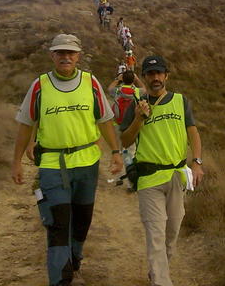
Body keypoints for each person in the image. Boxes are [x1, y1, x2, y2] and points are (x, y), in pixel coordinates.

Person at [12, 33, 123, 286]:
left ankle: (74, 261)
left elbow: (105, 120)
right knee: (58, 224)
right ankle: (61, 279)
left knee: (82, 221)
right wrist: (16, 161)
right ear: (52, 55)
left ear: (78, 56)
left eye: (70, 52)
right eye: (60, 52)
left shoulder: (90, 82)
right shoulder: (40, 85)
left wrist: (116, 153)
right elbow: (25, 126)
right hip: (53, 165)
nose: (65, 57)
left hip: (87, 163)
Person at [120, 55, 204, 286]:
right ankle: (161, 280)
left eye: (159, 73)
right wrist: (138, 119)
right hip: (149, 179)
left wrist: (196, 162)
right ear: (144, 77)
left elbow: (193, 133)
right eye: (150, 74)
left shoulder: (180, 101)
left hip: (176, 177)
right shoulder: (136, 103)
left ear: (166, 75)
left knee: (171, 234)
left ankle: (157, 271)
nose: (155, 78)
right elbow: (125, 141)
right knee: (155, 234)